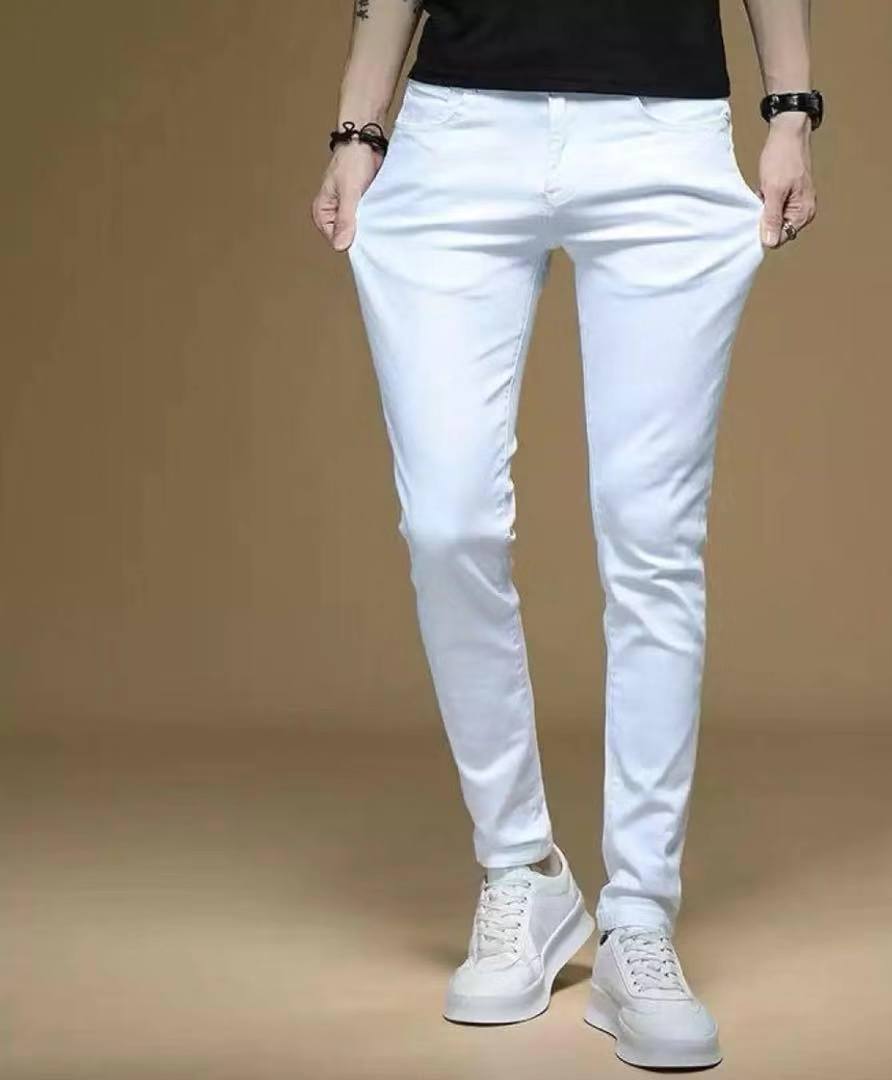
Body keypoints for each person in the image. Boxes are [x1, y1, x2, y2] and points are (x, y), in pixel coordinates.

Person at [312, 0, 819, 1068]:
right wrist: (359, 128)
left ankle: (638, 919)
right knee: (446, 520)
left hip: (662, 131)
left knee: (652, 533)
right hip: (458, 131)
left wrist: (790, 109)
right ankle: (523, 872)